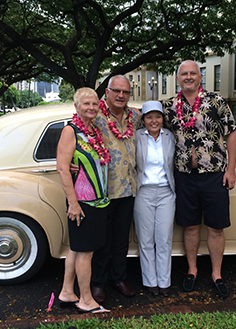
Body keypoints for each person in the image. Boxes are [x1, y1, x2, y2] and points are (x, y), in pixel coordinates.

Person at [161, 60, 236, 299]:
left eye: (193, 73)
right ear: (177, 78)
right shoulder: (169, 107)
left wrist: (231, 170)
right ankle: (192, 270)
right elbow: (146, 124)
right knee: (190, 225)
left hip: (214, 175)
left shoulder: (216, 101)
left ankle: (216, 274)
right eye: (184, 73)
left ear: (200, 77)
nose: (188, 77)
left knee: (216, 227)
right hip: (184, 176)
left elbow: (231, 134)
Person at [56, 87, 110, 314]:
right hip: (83, 202)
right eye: (86, 104)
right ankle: (86, 300)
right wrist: (73, 203)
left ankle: (67, 292)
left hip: (98, 201)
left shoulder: (92, 131)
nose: (91, 107)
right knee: (86, 252)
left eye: (95, 104)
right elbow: (62, 167)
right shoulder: (71, 131)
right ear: (76, 106)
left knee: (77, 249)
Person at [91, 75, 141, 303]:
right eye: (116, 91)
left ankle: (118, 278)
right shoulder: (94, 115)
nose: (121, 95)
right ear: (107, 92)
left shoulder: (135, 116)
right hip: (103, 190)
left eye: (126, 92)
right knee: (102, 240)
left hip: (128, 189)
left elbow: (157, 123)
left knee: (121, 239)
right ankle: (98, 283)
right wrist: (68, 160)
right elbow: (74, 133)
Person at [133, 100, 176, 297]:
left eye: (157, 116)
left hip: (166, 192)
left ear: (162, 118)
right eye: (149, 116)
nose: (154, 120)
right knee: (146, 239)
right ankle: (150, 281)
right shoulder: (137, 137)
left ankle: (164, 281)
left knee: (164, 238)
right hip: (144, 192)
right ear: (144, 119)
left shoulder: (170, 137)